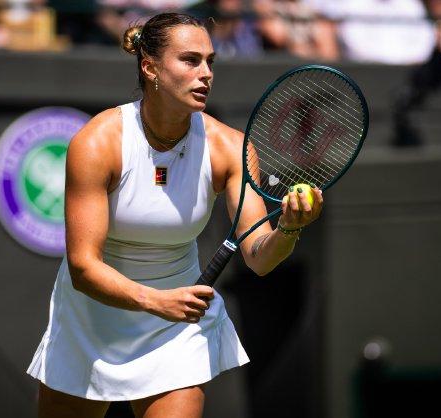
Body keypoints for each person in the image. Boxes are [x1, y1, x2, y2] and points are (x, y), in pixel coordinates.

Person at [26, 12, 323, 418]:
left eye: (210, 61)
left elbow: (259, 257)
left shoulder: (229, 148)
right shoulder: (97, 143)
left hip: (174, 329)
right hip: (92, 318)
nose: (206, 73)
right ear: (150, 68)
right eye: (190, 60)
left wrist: (288, 228)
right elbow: (82, 267)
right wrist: (156, 301)